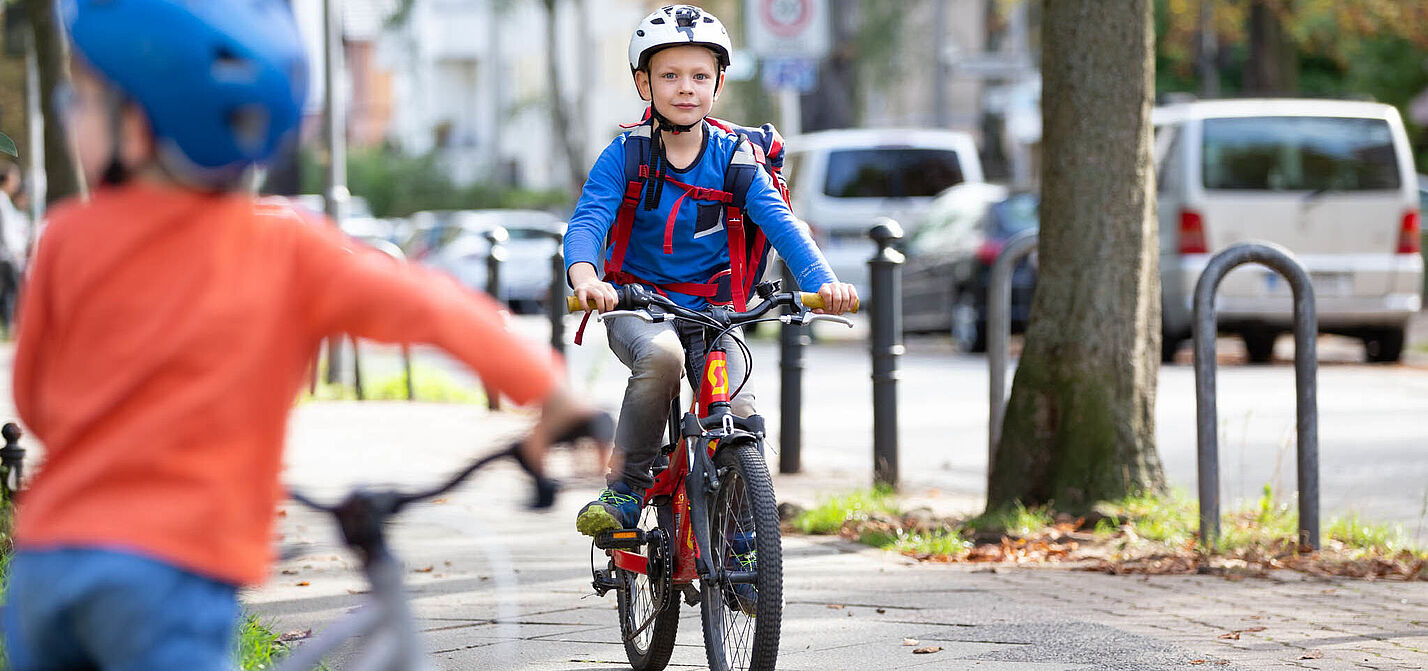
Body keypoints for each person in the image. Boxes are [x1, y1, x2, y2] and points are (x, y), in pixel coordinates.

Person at [3, 0, 595, 668]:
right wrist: (553, 393)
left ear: (139, 124)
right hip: (168, 573)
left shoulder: (65, 238)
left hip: (46, 563)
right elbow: (432, 307)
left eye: (79, 98)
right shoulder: (283, 248)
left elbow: (35, 403)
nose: (65, 113)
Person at [564, 4, 858, 539]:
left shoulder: (734, 157)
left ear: (718, 84)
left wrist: (824, 284)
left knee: (737, 410)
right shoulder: (625, 155)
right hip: (639, 304)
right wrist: (587, 279)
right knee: (662, 358)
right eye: (669, 76)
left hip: (717, 311)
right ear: (643, 83)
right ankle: (626, 489)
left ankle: (742, 541)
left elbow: (782, 223)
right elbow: (588, 221)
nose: (685, 88)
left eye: (700, 76)